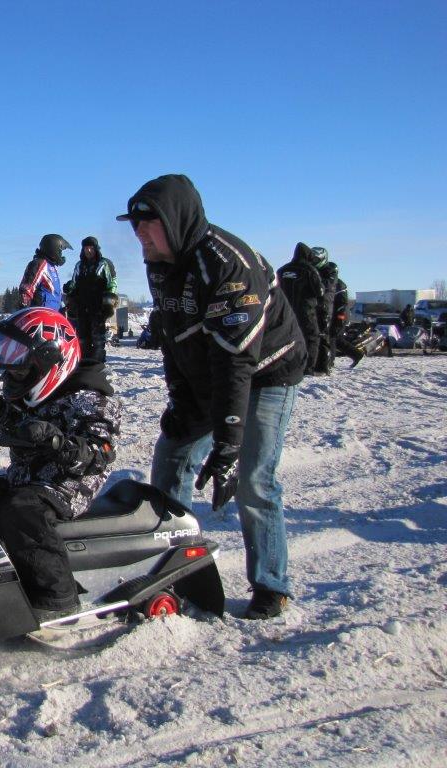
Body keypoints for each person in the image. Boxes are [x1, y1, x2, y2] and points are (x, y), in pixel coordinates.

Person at [117, 174, 305, 620]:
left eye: (148, 224)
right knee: (171, 457)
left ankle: (271, 586)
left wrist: (228, 445)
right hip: (215, 366)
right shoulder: (160, 260)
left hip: (266, 369)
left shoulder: (228, 267)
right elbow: (174, 336)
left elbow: (235, 364)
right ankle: (171, 571)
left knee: (253, 480)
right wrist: (182, 402)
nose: (138, 233)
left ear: (175, 220)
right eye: (134, 225)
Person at [0, 307, 121, 621]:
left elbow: (101, 451)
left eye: (18, 370)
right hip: (28, 477)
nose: (9, 377)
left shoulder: (93, 398)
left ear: (50, 360)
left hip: (68, 484)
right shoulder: (37, 395)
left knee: (20, 511)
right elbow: (18, 423)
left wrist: (57, 441)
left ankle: (56, 599)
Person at [62, 236, 119, 363]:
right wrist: (69, 288)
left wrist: (109, 300)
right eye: (86, 248)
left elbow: (112, 283)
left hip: (98, 306)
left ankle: (98, 364)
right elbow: (74, 283)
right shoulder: (79, 265)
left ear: (96, 249)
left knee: (98, 339)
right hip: (82, 306)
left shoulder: (104, 264)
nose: (88, 251)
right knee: (82, 338)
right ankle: (84, 363)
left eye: (91, 248)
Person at [276, 242, 325, 375]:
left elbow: (274, 289)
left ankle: (284, 364)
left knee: (285, 337)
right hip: (306, 310)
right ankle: (308, 367)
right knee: (311, 337)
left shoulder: (282, 270)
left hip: (285, 309)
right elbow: (319, 291)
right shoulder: (309, 270)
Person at [19, 234, 70, 310]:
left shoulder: (51, 267)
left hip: (52, 315)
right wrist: (24, 306)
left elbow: (55, 294)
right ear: (54, 249)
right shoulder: (40, 264)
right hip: (40, 315)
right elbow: (27, 289)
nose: (61, 254)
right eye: (60, 251)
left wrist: (61, 309)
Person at [312, 247, 339, 374]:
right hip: (313, 304)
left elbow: (326, 287)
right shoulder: (312, 270)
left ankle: (324, 365)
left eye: (316, 259)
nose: (313, 261)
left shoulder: (330, 270)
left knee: (324, 336)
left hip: (324, 305)